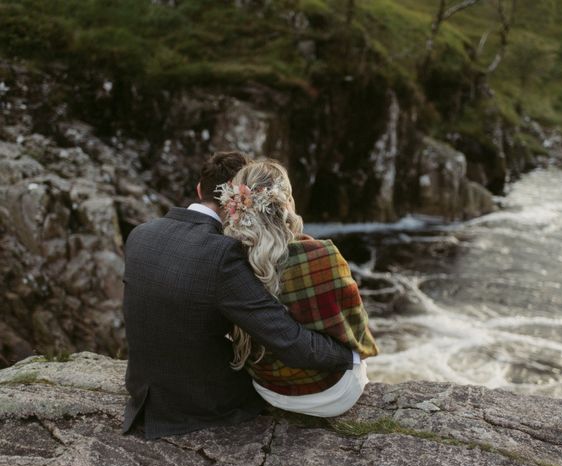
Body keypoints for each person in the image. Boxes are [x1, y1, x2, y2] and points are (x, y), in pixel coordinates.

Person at [122, 151, 357, 440]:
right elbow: (289, 341)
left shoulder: (141, 233)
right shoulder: (222, 253)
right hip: (197, 405)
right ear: (243, 197)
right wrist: (349, 354)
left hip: (143, 393)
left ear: (199, 188)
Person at [217, 160, 379, 417]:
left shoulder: (228, 260)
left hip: (269, 388)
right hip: (334, 392)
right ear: (287, 204)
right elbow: (354, 328)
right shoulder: (322, 254)